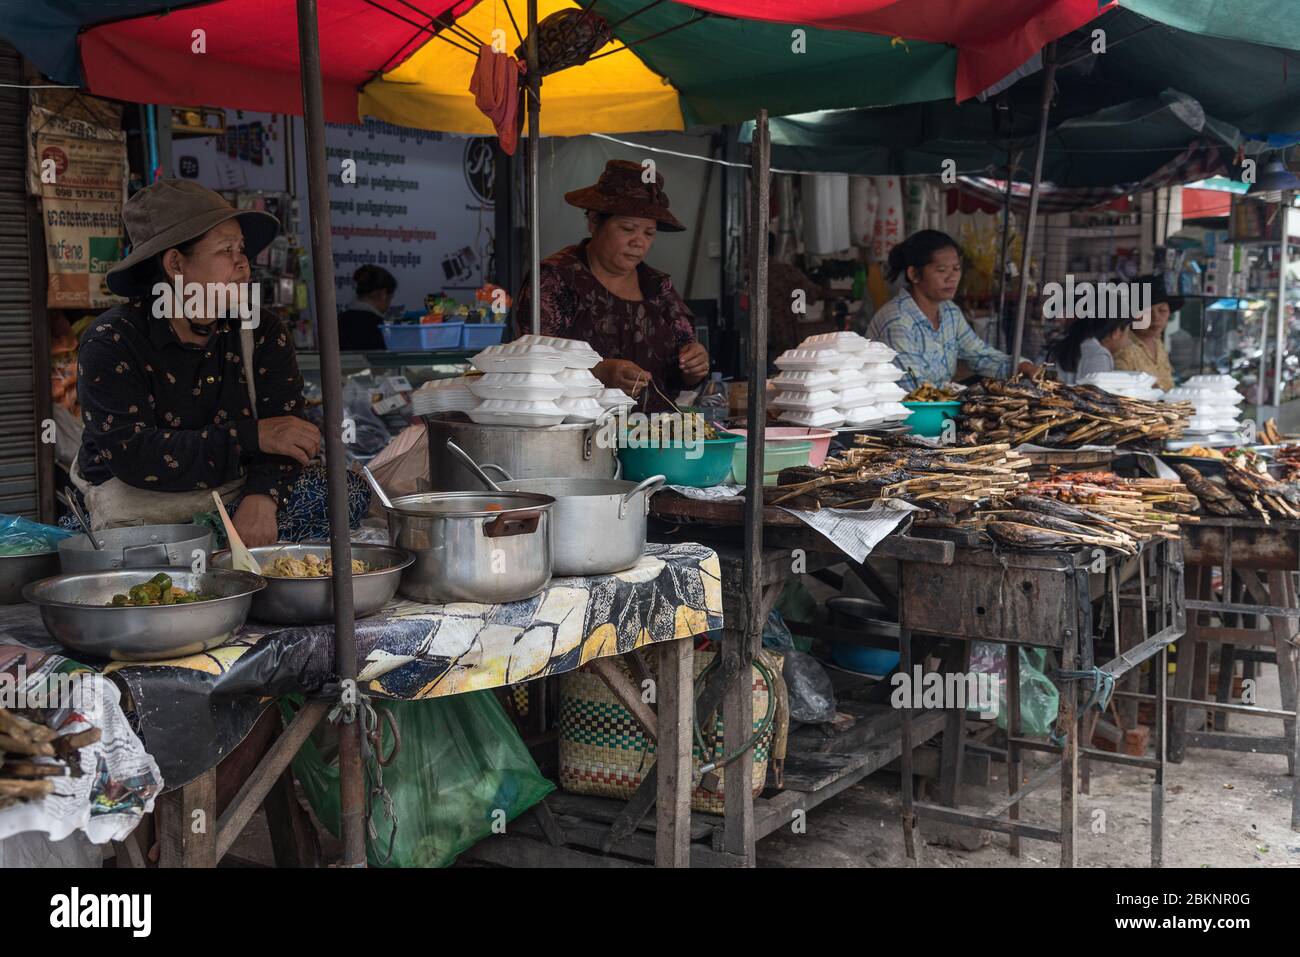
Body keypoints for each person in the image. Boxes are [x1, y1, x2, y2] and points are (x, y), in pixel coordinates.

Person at [73, 179, 370, 546]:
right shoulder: (112, 340)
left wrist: (263, 498)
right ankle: (200, 552)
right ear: (176, 263)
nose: (243, 265)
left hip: (235, 498)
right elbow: (135, 454)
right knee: (130, 546)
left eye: (242, 249)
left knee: (346, 493)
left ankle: (209, 551)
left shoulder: (261, 329)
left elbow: (289, 434)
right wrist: (252, 435)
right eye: (226, 250)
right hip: (140, 513)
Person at [514, 159, 709, 411]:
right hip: (578, 436)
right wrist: (599, 371)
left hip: (652, 437)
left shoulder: (658, 287)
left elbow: (685, 372)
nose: (639, 242)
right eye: (628, 229)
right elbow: (533, 362)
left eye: (649, 233)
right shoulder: (556, 278)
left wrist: (695, 366)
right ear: (594, 222)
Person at [867, 230, 1036, 391]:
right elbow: (915, 388)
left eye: (956, 269)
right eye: (941, 270)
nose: (952, 277)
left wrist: (1023, 366)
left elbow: (979, 355)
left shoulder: (949, 312)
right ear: (914, 274)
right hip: (903, 415)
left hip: (938, 407)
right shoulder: (897, 321)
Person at [767, 232, 842, 359]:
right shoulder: (785, 272)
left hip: (748, 339)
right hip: (781, 337)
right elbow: (816, 293)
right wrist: (846, 292)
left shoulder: (741, 272)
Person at [1113, 276, 1180, 391]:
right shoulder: (1123, 348)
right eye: (1146, 312)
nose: (1156, 318)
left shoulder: (1157, 341)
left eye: (1162, 310)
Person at [1048, 315, 1132, 384]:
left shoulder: (1067, 343)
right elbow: (1096, 399)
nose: (1129, 341)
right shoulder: (1099, 356)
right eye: (1127, 333)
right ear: (1116, 332)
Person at [337, 264, 396, 351]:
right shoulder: (380, 327)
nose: (389, 305)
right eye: (390, 298)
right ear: (383, 294)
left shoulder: (340, 321)